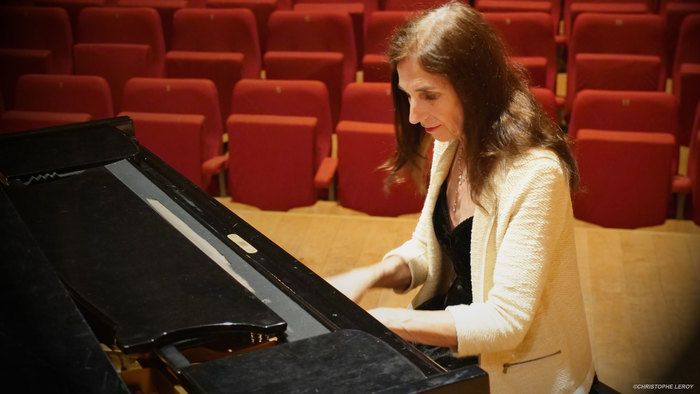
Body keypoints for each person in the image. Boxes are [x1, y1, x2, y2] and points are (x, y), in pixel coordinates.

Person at [327, 2, 594, 392]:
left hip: (517, 372)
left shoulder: (536, 174)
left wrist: (380, 322)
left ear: (475, 88)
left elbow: (505, 322)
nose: (414, 115)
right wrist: (369, 275)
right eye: (407, 96)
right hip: (456, 337)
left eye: (428, 95)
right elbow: (432, 246)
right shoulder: (451, 142)